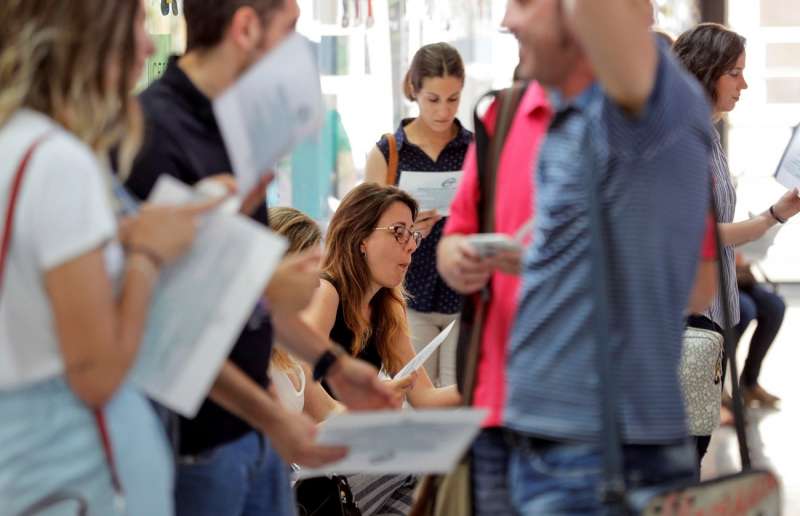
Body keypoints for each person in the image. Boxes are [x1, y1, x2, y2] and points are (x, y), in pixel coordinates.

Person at [125, 1, 396, 514]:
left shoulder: (233, 127)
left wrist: (332, 364)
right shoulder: (157, 137)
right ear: (246, 28)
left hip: (253, 438)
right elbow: (174, 329)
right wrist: (275, 419)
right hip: (196, 447)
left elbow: (242, 288)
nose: (299, 51)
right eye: (289, 30)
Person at [0, 1, 219, 514]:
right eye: (137, 25)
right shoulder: (59, 163)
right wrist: (145, 254)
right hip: (80, 473)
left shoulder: (18, 145)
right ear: (91, 36)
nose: (149, 44)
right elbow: (95, 375)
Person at [500, 0, 716, 513]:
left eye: (525, 4)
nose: (508, 19)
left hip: (602, 450)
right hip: (552, 442)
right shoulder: (569, 119)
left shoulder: (642, 111)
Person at [674, 22, 800, 461]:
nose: (744, 84)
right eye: (735, 72)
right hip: (687, 320)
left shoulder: (707, 132)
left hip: (708, 319)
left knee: (693, 449)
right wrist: (770, 217)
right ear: (707, 72)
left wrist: (777, 212)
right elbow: (695, 234)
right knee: (682, 459)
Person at [437, 54, 553, 514]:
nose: (508, 18)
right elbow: (456, 236)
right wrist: (456, 260)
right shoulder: (499, 118)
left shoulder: (640, 120)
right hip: (496, 405)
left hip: (587, 416)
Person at [365, 42, 473, 387]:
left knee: (459, 406)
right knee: (415, 402)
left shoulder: (476, 149)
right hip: (408, 298)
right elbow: (365, 233)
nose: (444, 111)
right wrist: (407, 229)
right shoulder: (388, 152)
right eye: (433, 99)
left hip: (466, 297)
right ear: (414, 90)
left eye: (453, 99)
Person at [732, 253, 785, 408]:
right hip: (712, 275)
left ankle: (749, 383)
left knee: (775, 306)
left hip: (739, 277)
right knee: (744, 310)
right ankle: (718, 388)